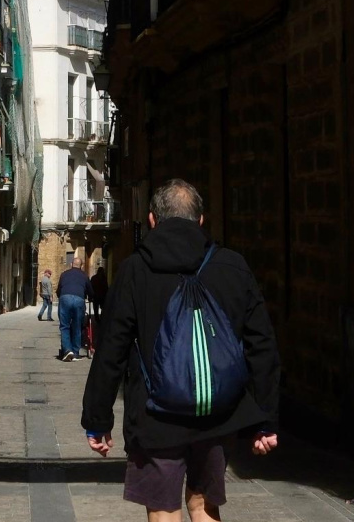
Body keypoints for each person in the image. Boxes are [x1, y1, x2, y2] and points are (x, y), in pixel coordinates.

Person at [81, 179, 280, 522]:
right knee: (204, 506)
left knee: (163, 508)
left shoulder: (134, 270)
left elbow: (111, 349)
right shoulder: (233, 266)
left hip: (155, 415)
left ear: (152, 220)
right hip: (219, 413)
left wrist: (97, 419)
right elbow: (261, 345)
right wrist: (266, 419)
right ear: (200, 220)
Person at [56, 255, 89, 361]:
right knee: (77, 326)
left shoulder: (64, 274)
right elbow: (90, 290)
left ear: (71, 265)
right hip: (79, 299)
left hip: (65, 298)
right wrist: (91, 297)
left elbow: (59, 289)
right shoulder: (84, 276)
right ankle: (75, 352)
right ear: (81, 266)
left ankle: (67, 350)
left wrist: (60, 295)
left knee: (64, 326)